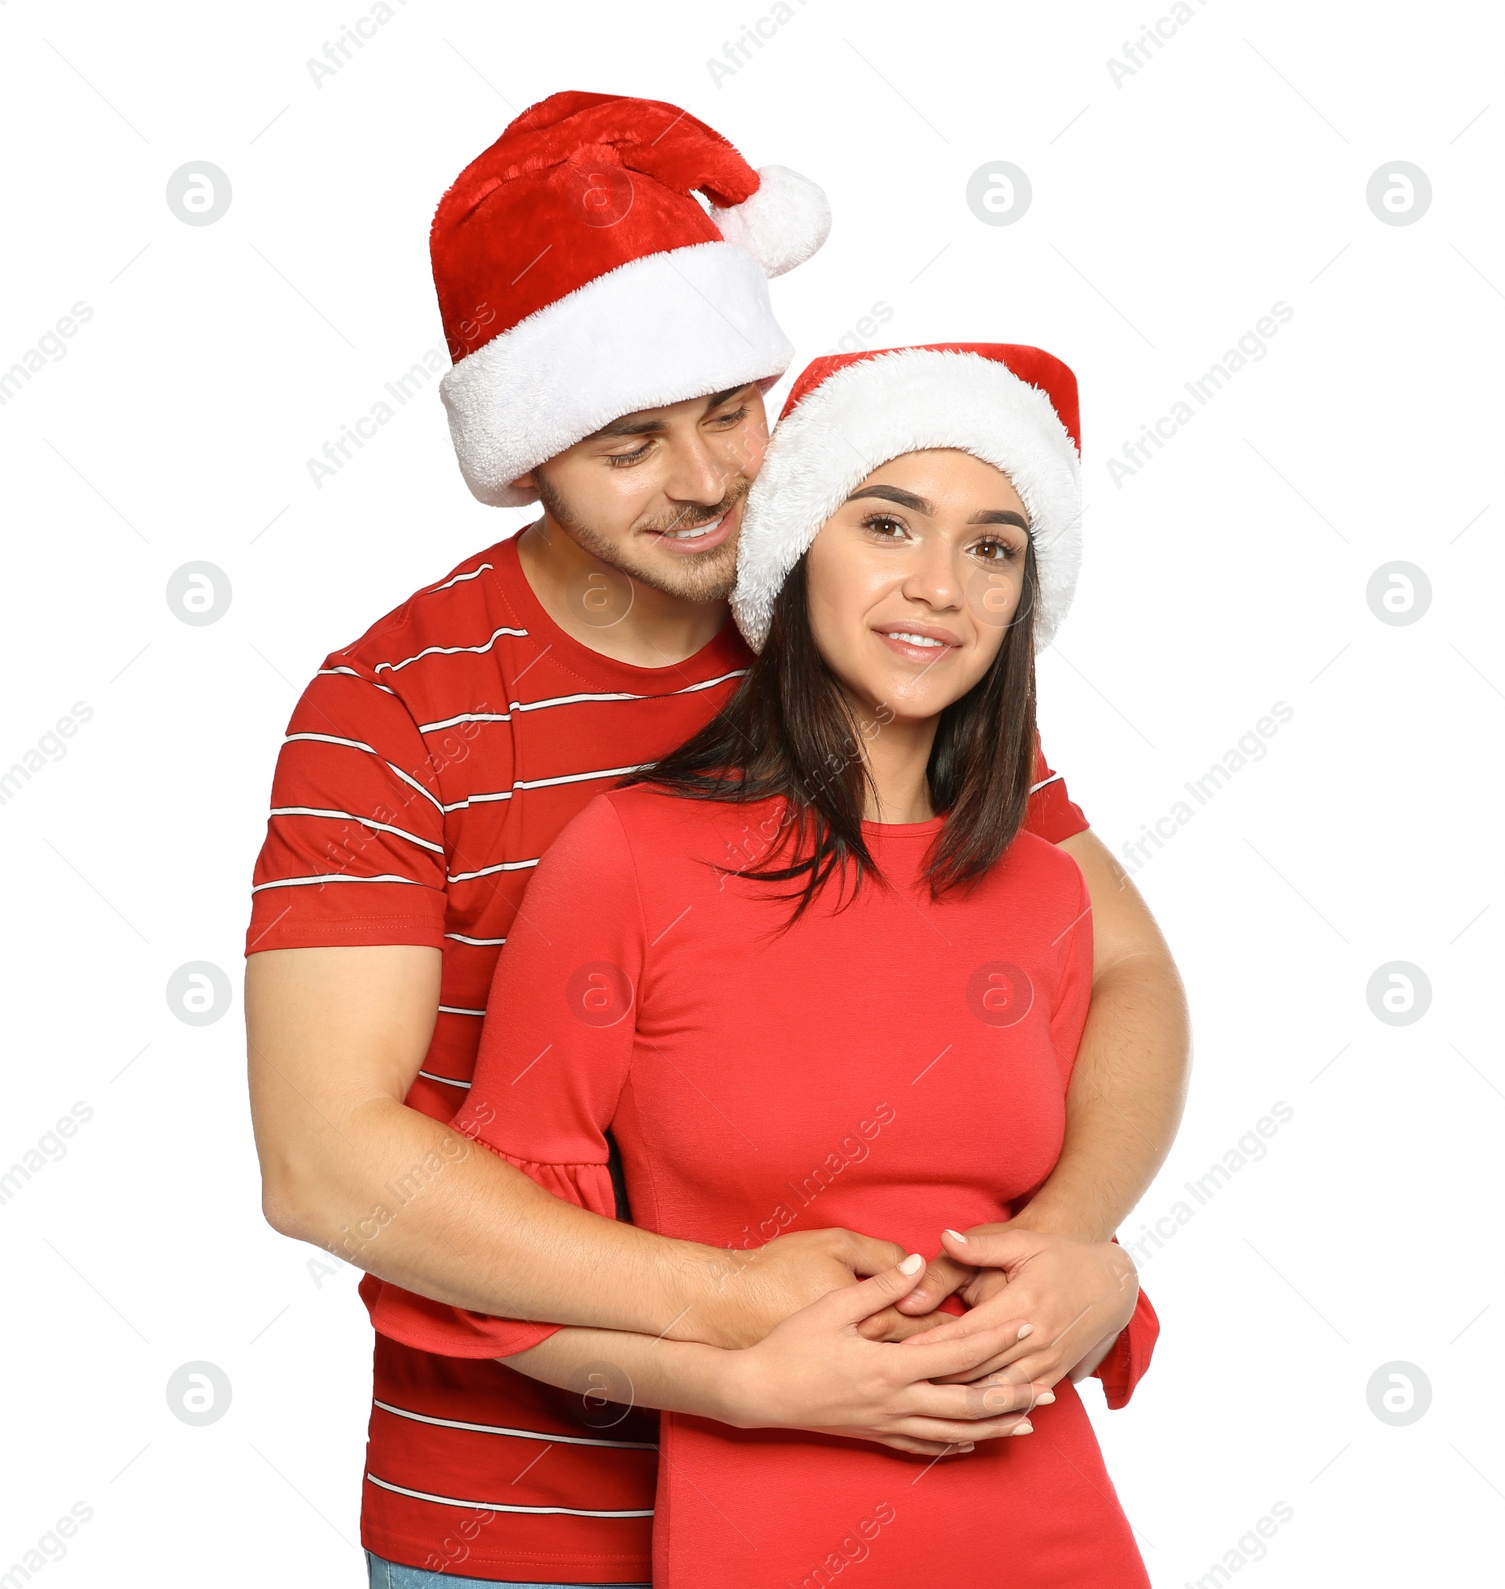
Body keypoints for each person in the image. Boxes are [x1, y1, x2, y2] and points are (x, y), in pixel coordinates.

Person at [245, 92, 1189, 1589]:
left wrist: (1078, 1242)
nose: (701, 483)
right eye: (628, 441)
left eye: (734, 413)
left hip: (875, 1498)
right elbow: (325, 1160)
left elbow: (1117, 964)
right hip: (518, 1516)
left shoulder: (858, 641)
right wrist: (742, 1325)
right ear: (530, 445)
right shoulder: (393, 708)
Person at [366, 343, 1158, 1587]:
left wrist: (1098, 1270)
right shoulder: (631, 861)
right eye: (888, 522)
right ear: (795, 546)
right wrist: (742, 1381)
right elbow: (495, 1289)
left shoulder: (1047, 887)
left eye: (993, 546)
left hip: (1048, 1528)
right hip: (768, 1532)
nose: (939, 585)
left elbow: (1092, 1097)